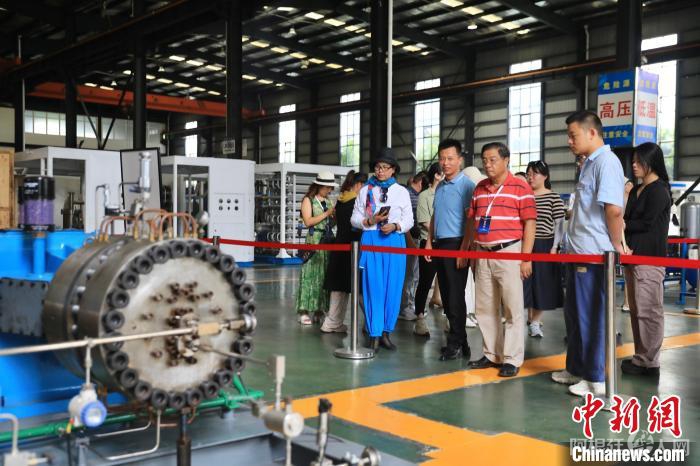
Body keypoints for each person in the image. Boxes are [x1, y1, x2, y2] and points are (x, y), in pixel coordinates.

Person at [551, 110, 625, 397]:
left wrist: (616, 245)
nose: (569, 141)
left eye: (573, 135)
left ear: (592, 132)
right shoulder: (589, 164)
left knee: (591, 317)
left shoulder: (607, 163)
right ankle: (576, 368)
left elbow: (613, 210)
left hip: (594, 255)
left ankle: (595, 378)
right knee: (574, 316)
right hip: (578, 252)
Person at [466, 142, 536, 377]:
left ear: (506, 160)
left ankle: (512, 358)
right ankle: (491, 354)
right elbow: (472, 219)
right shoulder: (480, 188)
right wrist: (472, 251)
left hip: (509, 252)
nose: (487, 165)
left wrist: (526, 258)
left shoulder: (520, 187)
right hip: (483, 253)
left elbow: (530, 223)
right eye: (484, 160)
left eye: (493, 160)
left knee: (512, 307)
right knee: (485, 307)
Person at [351, 148, 414, 351]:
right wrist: (369, 221)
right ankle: (374, 334)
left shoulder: (401, 192)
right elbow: (354, 218)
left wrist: (396, 226)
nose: (381, 171)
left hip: (394, 241)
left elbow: (409, 220)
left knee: (393, 288)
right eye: (378, 167)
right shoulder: (365, 191)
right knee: (373, 288)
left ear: (393, 170)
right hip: (371, 239)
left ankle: (386, 332)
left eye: (385, 167)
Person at [621, 142, 671, 377]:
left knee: (649, 310)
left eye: (639, 161)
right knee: (637, 310)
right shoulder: (636, 190)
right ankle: (641, 357)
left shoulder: (659, 190)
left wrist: (622, 224)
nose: (634, 165)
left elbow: (647, 223)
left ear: (652, 162)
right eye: (633, 161)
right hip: (632, 257)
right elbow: (629, 219)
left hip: (650, 259)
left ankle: (650, 361)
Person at [425, 139, 475, 361]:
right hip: (440, 244)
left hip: (456, 244)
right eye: (442, 159)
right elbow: (435, 216)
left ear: (460, 160)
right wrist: (429, 242)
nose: (445, 163)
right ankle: (461, 341)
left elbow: (470, 220)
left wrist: (464, 249)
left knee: (455, 296)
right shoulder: (441, 186)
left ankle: (454, 343)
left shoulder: (467, 186)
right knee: (446, 295)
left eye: (450, 158)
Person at [524, 160, 566, 338]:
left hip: (544, 244)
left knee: (542, 284)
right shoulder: (524, 196)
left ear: (545, 176)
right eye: (528, 174)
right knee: (525, 283)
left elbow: (559, 225)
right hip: (524, 244)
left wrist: (555, 247)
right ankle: (527, 318)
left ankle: (535, 322)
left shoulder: (553, 197)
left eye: (535, 173)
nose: (531, 177)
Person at [322, 170, 368, 333]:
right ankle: (371, 323)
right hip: (353, 249)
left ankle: (331, 322)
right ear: (359, 185)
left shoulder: (341, 200)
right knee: (361, 287)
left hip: (339, 247)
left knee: (339, 288)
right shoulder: (356, 203)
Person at [296, 172, 338, 325]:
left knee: (323, 276)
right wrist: (327, 213)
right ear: (319, 186)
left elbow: (331, 223)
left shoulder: (328, 201)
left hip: (327, 241)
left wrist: (334, 217)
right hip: (314, 240)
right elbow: (308, 221)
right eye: (327, 187)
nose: (329, 190)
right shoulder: (308, 200)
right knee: (309, 276)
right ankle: (303, 311)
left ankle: (319, 310)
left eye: (331, 188)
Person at [413, 163, 444, 336]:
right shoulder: (425, 195)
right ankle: (419, 318)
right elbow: (424, 221)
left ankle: (450, 318)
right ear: (434, 175)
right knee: (425, 282)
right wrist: (443, 228)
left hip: (447, 243)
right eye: (440, 174)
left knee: (448, 283)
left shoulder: (447, 193)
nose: (442, 176)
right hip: (428, 242)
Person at [399, 172, 427, 321]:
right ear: (421, 182)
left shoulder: (416, 195)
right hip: (410, 240)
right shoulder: (408, 195)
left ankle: (409, 304)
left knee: (414, 275)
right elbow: (405, 220)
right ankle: (404, 307)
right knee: (408, 275)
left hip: (416, 240)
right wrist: (409, 240)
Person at [462, 166, 487, 330]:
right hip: (467, 243)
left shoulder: (479, 196)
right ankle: (465, 313)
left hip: (477, 243)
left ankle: (471, 312)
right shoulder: (467, 196)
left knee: (473, 282)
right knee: (465, 282)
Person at [621, 178, 635, 313]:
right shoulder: (621, 196)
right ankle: (627, 302)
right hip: (620, 234)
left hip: (627, 235)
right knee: (627, 270)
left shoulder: (631, 194)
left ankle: (628, 301)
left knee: (629, 270)